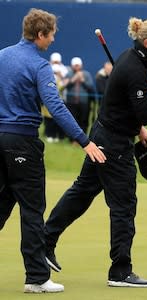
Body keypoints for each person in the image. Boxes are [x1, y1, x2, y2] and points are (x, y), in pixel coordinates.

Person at [43, 16, 147, 288]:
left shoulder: (133, 58)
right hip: (113, 144)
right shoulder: (135, 67)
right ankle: (120, 271)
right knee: (123, 206)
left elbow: (125, 106)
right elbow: (145, 112)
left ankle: (43, 242)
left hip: (105, 135)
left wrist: (137, 127)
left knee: (82, 192)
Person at [0, 8, 106, 293]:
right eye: (51, 36)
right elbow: (55, 106)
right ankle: (36, 278)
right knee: (32, 211)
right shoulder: (39, 65)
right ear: (40, 34)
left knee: (2, 204)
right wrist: (84, 140)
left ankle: (36, 275)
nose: (53, 41)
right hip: (22, 141)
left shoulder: (1, 56)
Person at [64, 56, 95, 138]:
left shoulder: (86, 74)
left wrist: (83, 80)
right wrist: (73, 80)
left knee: (84, 120)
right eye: (75, 65)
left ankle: (83, 138)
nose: (77, 67)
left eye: (78, 65)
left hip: (84, 102)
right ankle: (73, 139)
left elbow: (91, 87)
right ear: (72, 65)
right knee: (73, 121)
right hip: (71, 102)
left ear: (81, 65)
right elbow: (64, 86)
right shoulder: (69, 74)